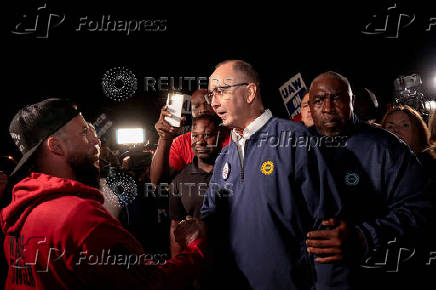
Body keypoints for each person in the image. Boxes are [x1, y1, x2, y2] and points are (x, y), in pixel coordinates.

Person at [0, 98, 205, 289]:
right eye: (84, 133)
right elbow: (153, 284)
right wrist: (197, 247)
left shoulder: (21, 211)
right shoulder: (80, 216)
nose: (97, 141)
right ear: (56, 146)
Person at [200, 60, 354, 290]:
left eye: (221, 92)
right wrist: (199, 227)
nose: (213, 102)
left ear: (250, 92)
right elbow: (210, 216)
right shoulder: (224, 156)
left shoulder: (294, 139)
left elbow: (327, 226)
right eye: (211, 95)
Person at [306, 71, 431, 289]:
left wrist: (364, 236)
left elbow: (420, 208)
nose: (327, 108)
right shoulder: (292, 148)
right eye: (318, 100)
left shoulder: (386, 148)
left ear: (352, 101)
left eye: (336, 98)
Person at [151, 89, 231, 186]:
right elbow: (158, 182)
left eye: (207, 104)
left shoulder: (235, 135)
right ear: (190, 111)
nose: (203, 109)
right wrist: (164, 139)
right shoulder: (181, 142)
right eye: (196, 106)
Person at [169, 114, 223, 258]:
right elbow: (176, 226)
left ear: (220, 136)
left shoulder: (235, 169)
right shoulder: (180, 179)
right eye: (195, 136)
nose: (200, 142)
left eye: (207, 135)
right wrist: (177, 270)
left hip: (233, 262)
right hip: (198, 263)